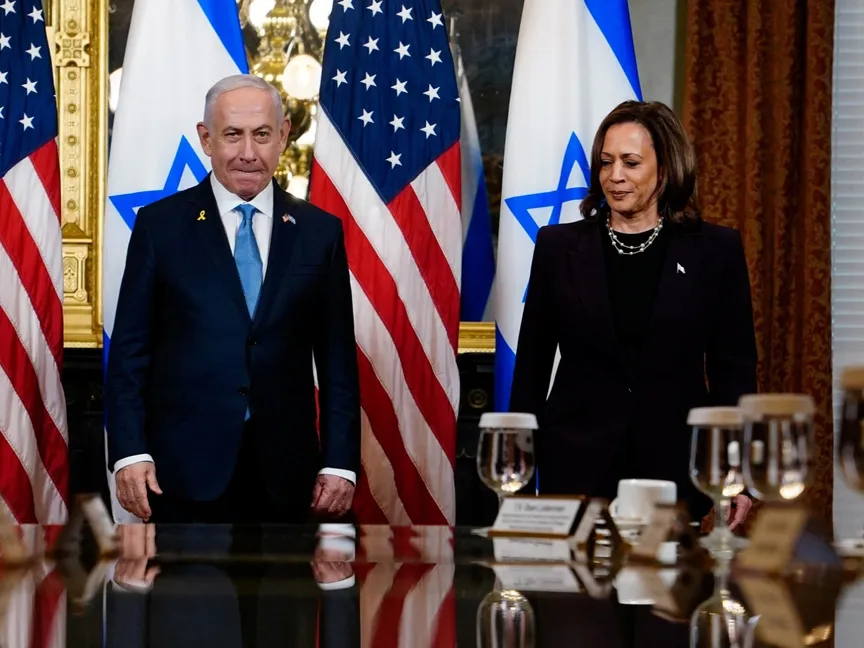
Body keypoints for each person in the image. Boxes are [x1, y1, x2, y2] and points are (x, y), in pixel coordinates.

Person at [105, 74, 360, 524]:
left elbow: (338, 361)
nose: (248, 152)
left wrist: (340, 462)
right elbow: (129, 354)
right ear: (206, 139)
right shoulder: (160, 227)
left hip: (290, 478)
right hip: (181, 474)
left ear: (283, 136)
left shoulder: (320, 232)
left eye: (261, 135)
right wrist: (130, 452)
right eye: (232, 135)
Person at [509, 100, 757, 527]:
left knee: (669, 575)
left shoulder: (715, 251)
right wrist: (516, 472)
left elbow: (733, 371)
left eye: (631, 162)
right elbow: (531, 366)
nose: (615, 176)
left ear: (666, 168)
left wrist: (740, 475)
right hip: (576, 467)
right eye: (606, 162)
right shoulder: (558, 247)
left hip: (675, 468)